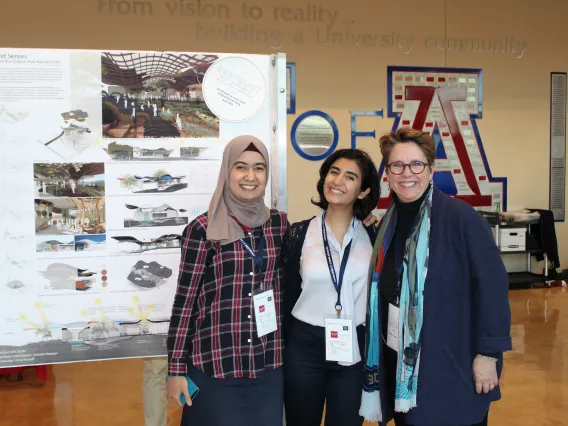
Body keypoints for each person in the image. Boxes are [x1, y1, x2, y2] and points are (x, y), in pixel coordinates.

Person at [359, 127, 512, 426]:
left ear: (431, 170)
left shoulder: (461, 218)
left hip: (450, 367)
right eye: (397, 165)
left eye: (416, 164)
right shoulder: (387, 225)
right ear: (387, 173)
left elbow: (492, 288)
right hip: (401, 367)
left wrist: (488, 354)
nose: (407, 173)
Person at [166, 135, 288, 426]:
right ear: (227, 171)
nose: (250, 176)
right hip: (214, 366)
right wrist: (176, 370)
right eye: (241, 167)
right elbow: (185, 303)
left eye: (259, 168)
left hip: (267, 367)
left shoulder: (279, 225)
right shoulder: (202, 229)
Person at [282, 148, 381, 426]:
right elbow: (287, 291)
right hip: (305, 345)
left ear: (363, 191)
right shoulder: (298, 233)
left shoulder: (375, 234)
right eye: (333, 172)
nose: (337, 180)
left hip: (354, 344)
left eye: (350, 177)